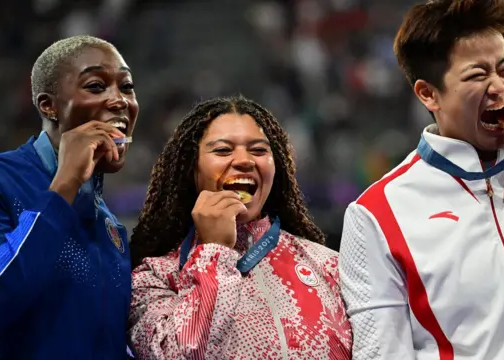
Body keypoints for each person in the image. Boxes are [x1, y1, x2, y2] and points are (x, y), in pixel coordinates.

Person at [339, 0, 504, 359]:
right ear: (428, 94)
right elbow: (381, 352)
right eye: (477, 75)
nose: (499, 88)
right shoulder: (377, 215)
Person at [0, 35, 139, 359]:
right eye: (96, 86)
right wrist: (63, 185)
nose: (120, 100)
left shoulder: (111, 228)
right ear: (48, 105)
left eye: (126, 86)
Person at [128, 95, 352, 359]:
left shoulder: (330, 267)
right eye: (223, 150)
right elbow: (180, 354)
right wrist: (214, 252)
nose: (245, 160)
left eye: (258, 150)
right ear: (192, 169)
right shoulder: (153, 278)